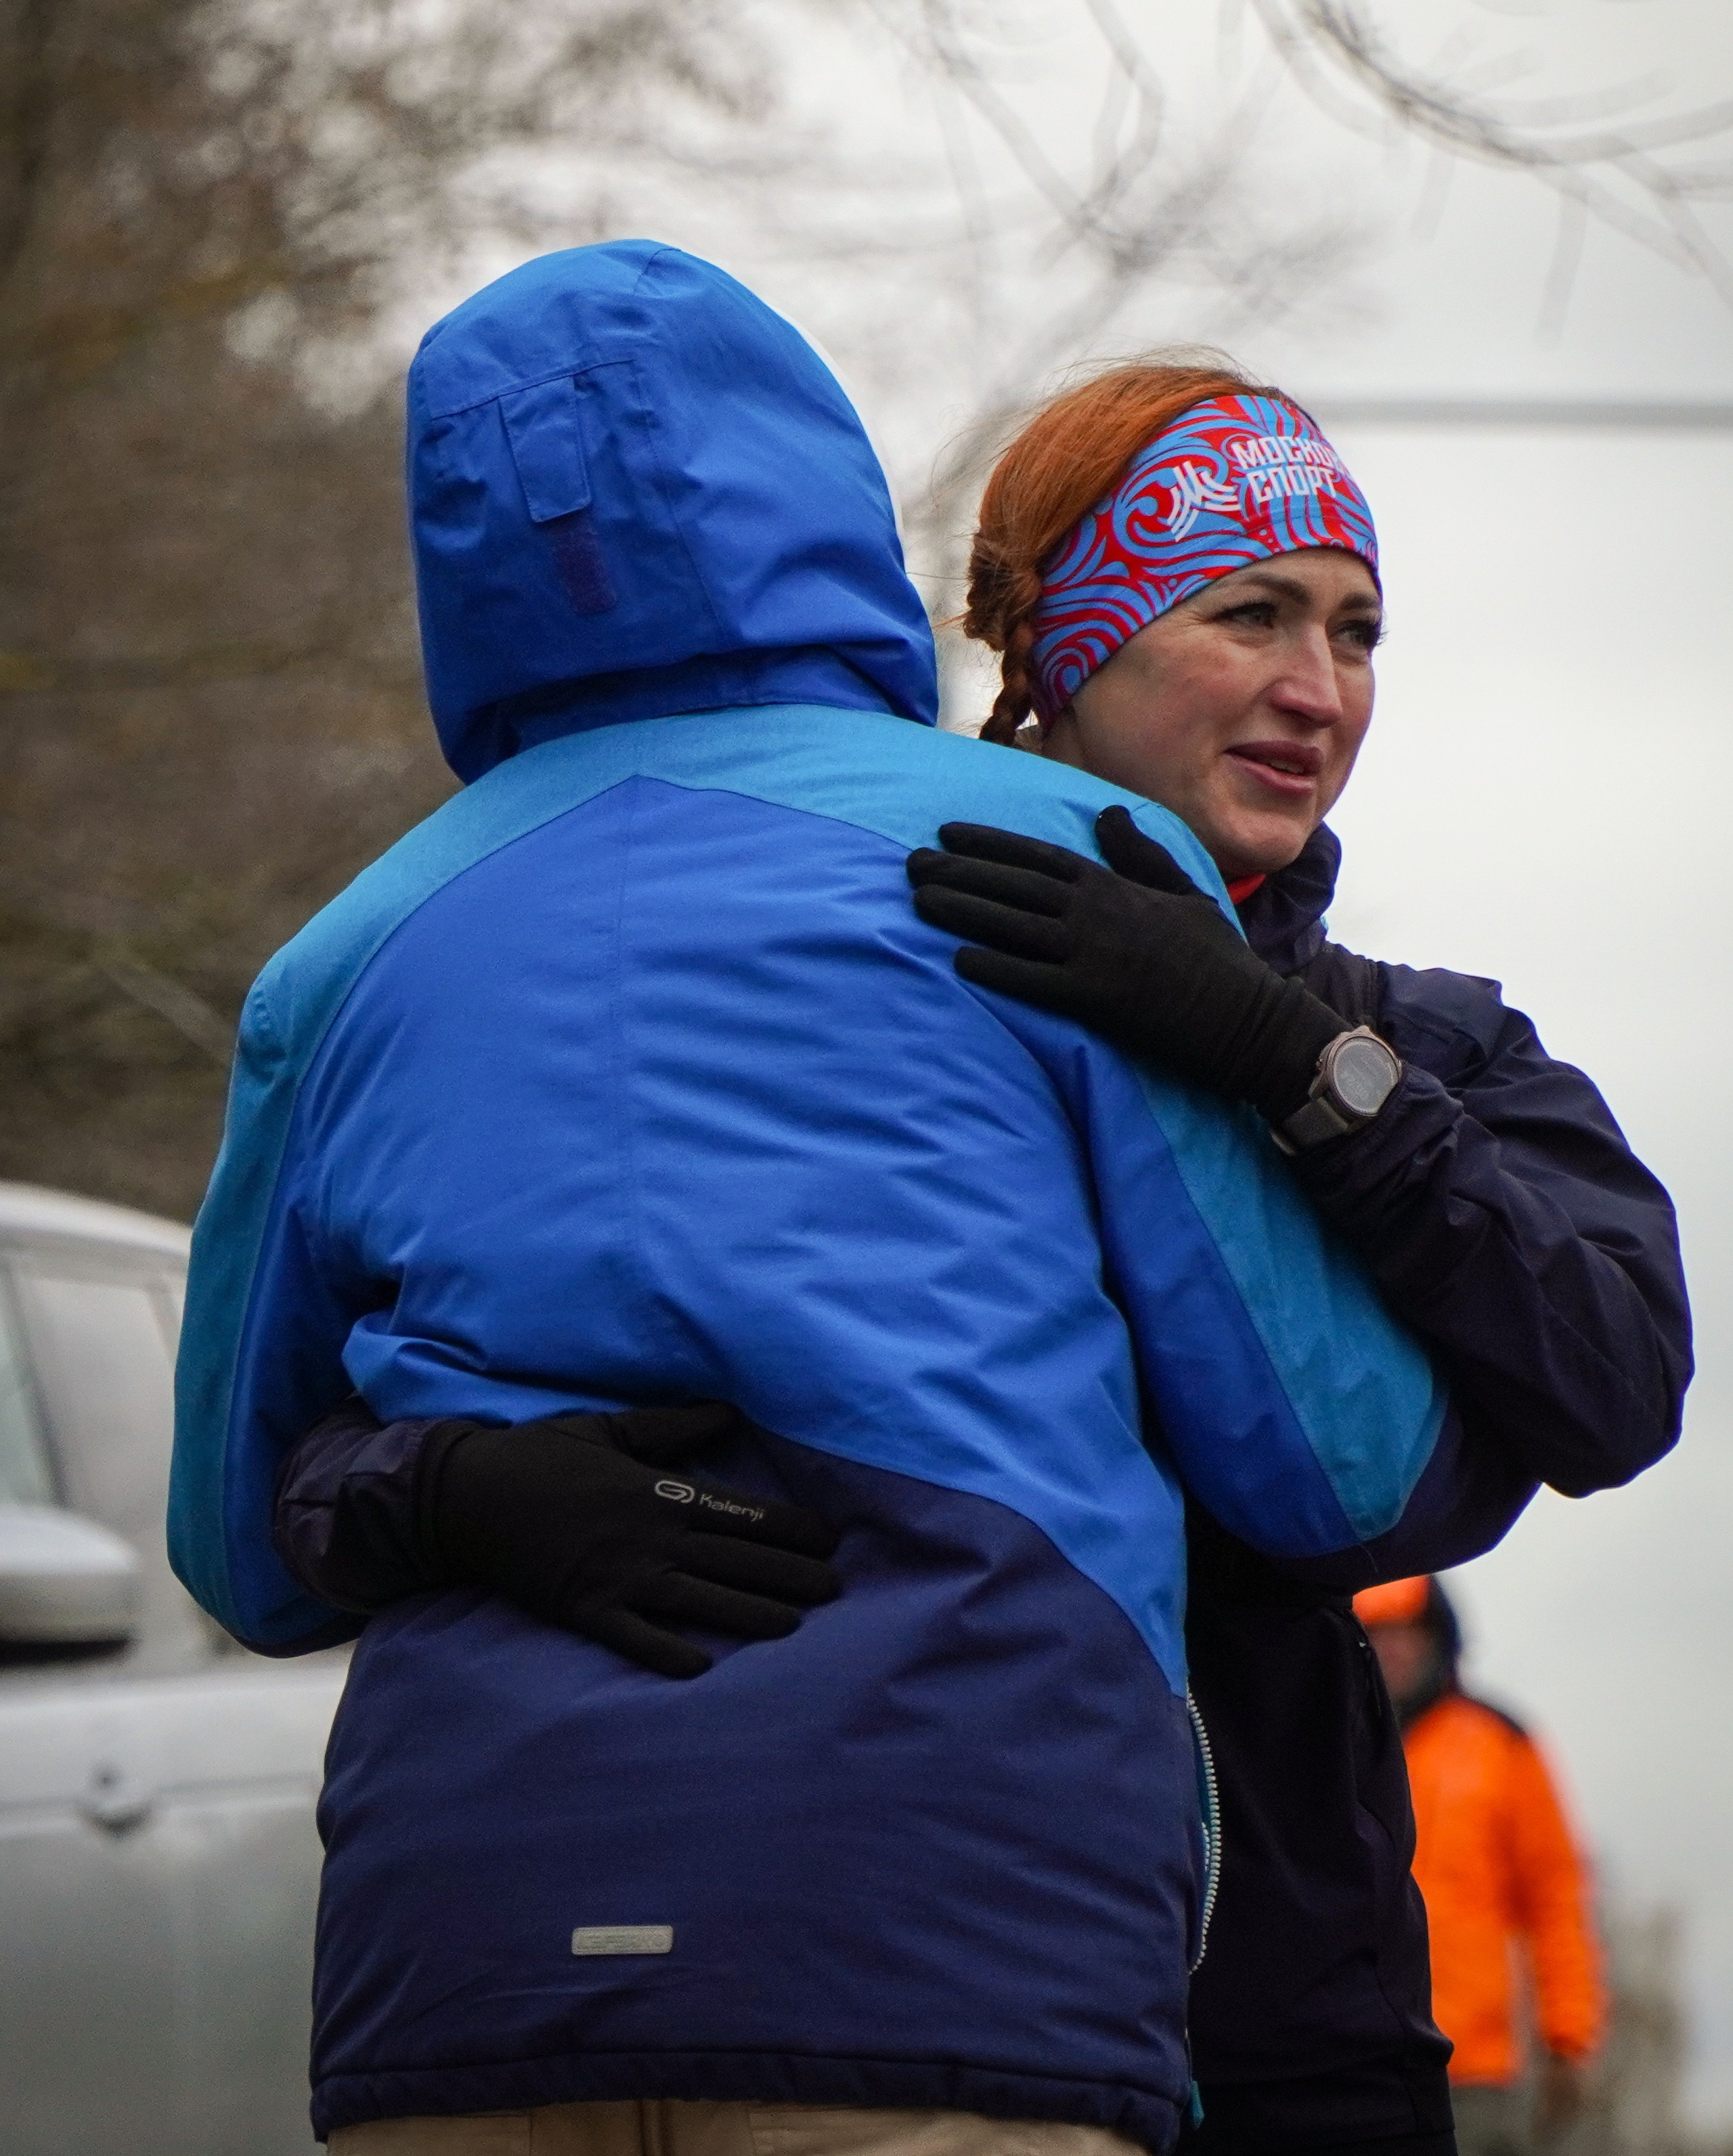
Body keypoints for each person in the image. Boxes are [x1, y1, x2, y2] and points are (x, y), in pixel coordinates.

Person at [170, 248, 1529, 2156]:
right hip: (946, 1944)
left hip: (461, 1970)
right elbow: (1337, 1471)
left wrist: (455, 1482)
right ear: (801, 489)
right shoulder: (1056, 861)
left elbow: (241, 1546)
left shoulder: (337, 968)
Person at [906, 364, 1689, 2156]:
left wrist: (1289, 1065)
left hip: (1290, 2016)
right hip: (912, 1984)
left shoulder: (1429, 1044)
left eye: (1355, 631)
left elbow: (1620, 1372)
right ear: (1064, 637)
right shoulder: (876, 976)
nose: (1317, 691)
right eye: (1248, 611)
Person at [1356, 1578, 1606, 2156]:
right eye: (1378, 1635)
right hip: (1349, 2064)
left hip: (1472, 2072)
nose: (1394, 1650)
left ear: (1439, 1639)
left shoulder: (1502, 1744)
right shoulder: (1325, 1751)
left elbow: (1555, 1895)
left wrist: (1570, 2035)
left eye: (1407, 1633)